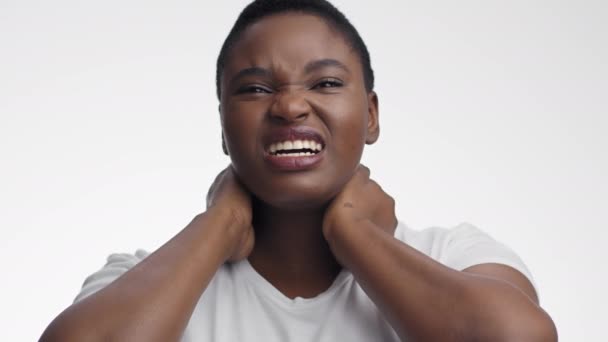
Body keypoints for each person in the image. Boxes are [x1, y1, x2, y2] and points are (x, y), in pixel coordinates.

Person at [40, 0, 557, 341]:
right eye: (256, 89)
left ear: (371, 115)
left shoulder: (455, 256)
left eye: (326, 84)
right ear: (223, 126)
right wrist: (219, 226)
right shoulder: (142, 280)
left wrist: (353, 234)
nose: (290, 106)